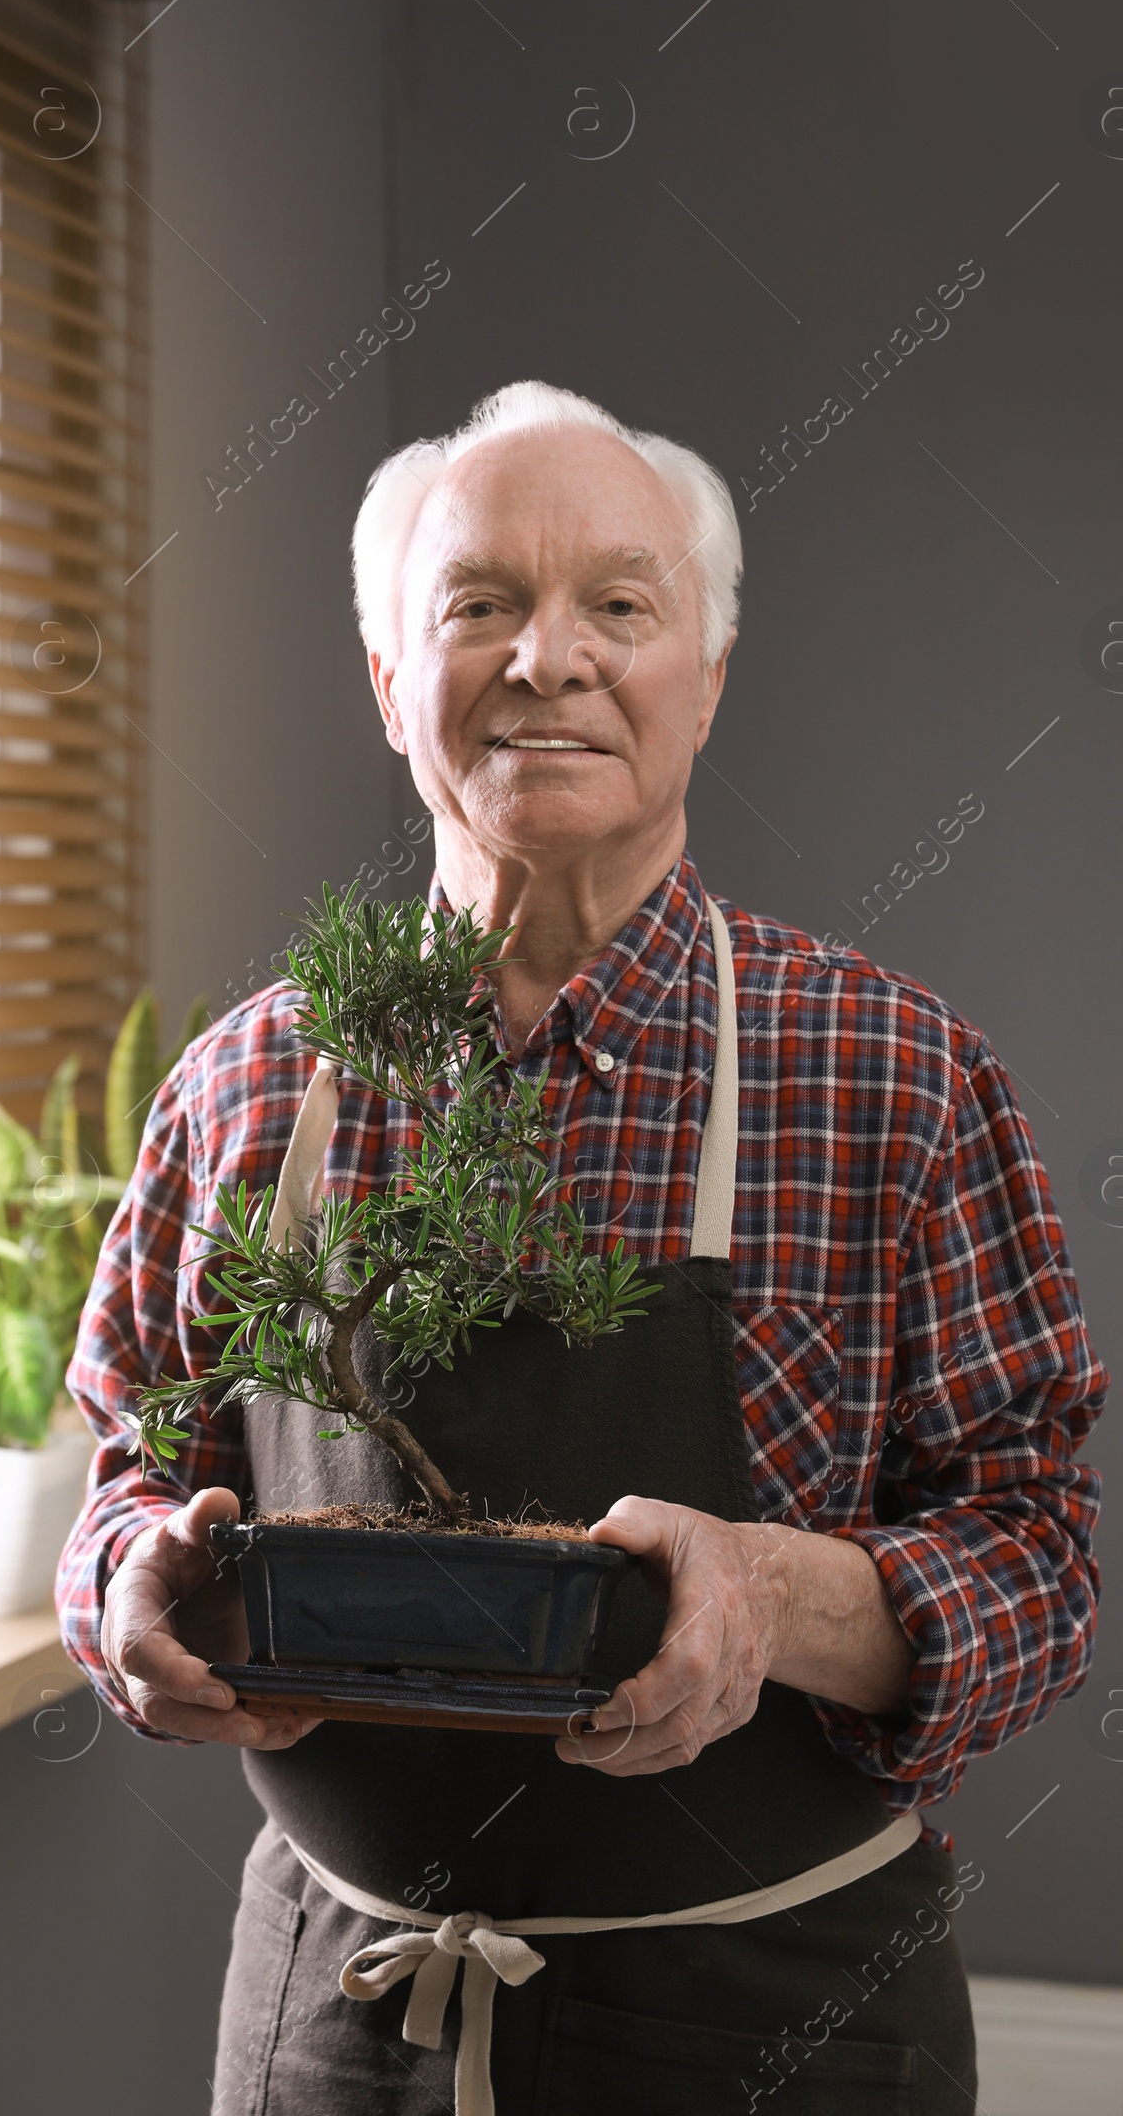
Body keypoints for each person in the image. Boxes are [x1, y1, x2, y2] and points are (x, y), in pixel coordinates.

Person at [57, 382, 1105, 2114]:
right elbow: (122, 1473)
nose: (549, 659)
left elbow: (1040, 1565)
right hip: (340, 2026)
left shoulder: (894, 1075)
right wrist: (131, 1594)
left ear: (709, 671)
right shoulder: (248, 1083)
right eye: (477, 605)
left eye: (621, 604)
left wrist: (769, 1597)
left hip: (782, 2020)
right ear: (394, 682)